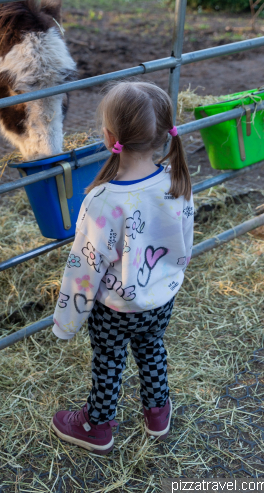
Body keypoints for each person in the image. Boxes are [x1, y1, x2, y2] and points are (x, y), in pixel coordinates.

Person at [51, 80, 194, 454]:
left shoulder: (102, 200)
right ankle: (157, 413)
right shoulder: (176, 180)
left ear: (109, 135)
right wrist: (169, 278)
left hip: (114, 309)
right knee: (151, 348)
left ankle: (96, 426)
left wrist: (66, 322)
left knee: (109, 362)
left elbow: (84, 269)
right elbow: (184, 241)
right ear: (164, 134)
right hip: (160, 300)